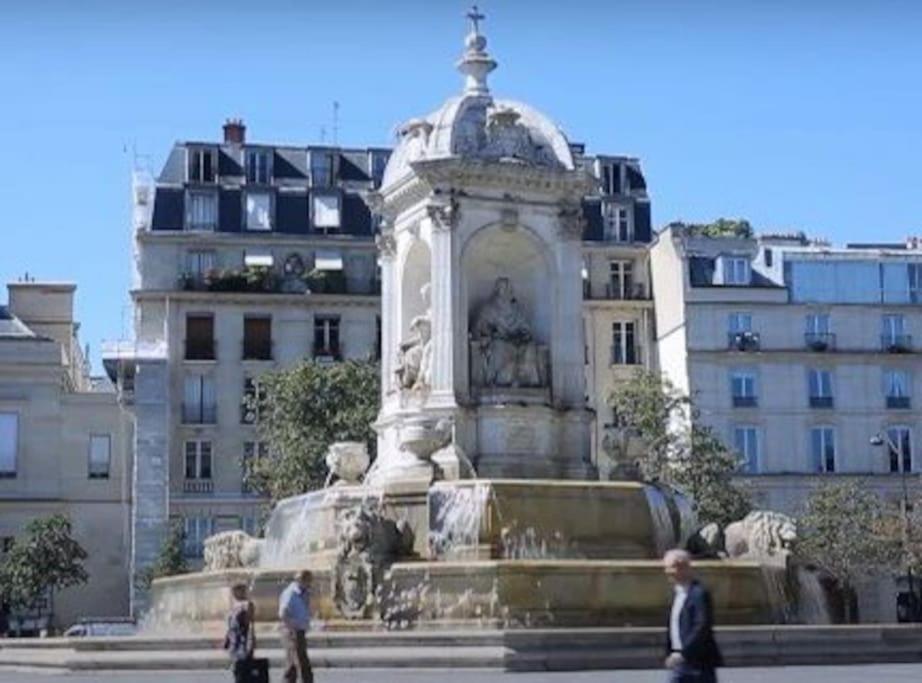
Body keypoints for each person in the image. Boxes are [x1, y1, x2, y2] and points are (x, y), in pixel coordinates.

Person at [663, 549, 723, 683]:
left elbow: (701, 626)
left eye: (671, 567)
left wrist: (683, 653)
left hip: (698, 663)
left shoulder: (698, 594)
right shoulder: (677, 595)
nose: (667, 572)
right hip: (680, 662)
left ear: (684, 568)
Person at [278, 570, 313, 683]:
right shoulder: (290, 593)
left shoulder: (304, 592)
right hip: (292, 631)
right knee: (301, 662)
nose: (310, 584)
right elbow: (283, 613)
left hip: (299, 630)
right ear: (301, 580)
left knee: (291, 664)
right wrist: (292, 627)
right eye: (308, 581)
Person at [224, 582, 256, 683]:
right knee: (237, 670)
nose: (233, 593)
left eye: (236, 590)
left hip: (243, 642)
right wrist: (227, 640)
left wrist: (251, 642)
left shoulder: (247, 605)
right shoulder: (234, 605)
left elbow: (250, 624)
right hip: (234, 643)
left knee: (243, 671)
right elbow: (230, 626)